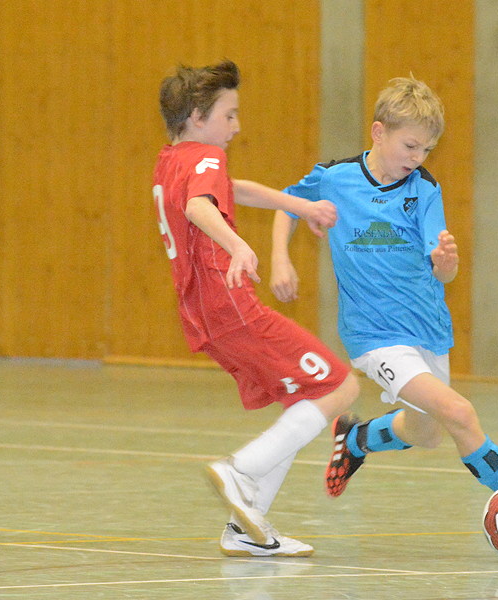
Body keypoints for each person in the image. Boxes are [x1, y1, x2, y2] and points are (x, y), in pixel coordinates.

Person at [270, 76, 498, 546]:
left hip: (427, 329)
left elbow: (444, 272)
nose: (417, 158)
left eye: (427, 150)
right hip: (374, 336)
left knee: (426, 432)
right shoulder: (336, 178)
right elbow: (286, 205)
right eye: (410, 146)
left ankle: (355, 440)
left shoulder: (424, 189)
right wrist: (280, 257)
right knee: (459, 412)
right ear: (379, 132)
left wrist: (445, 262)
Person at [153, 60, 359, 557]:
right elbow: (199, 207)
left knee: (300, 400)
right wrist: (239, 245)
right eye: (229, 115)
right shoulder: (206, 156)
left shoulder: (172, 159)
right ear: (198, 117)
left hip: (202, 313)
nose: (237, 126)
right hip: (230, 306)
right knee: (341, 386)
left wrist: (302, 206)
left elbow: (233, 190)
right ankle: (240, 470)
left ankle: (246, 527)